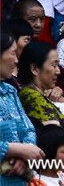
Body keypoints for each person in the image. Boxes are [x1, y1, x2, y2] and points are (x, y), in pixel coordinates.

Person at [17, 41, 64, 148]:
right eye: (54, 65)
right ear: (35, 69)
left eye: (58, 65)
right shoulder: (31, 96)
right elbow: (55, 142)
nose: (58, 71)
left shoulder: (37, 95)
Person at [0, 31, 44, 184]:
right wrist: (16, 150)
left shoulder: (10, 91)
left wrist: (25, 154)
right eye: (13, 53)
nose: (17, 61)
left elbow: (28, 129)